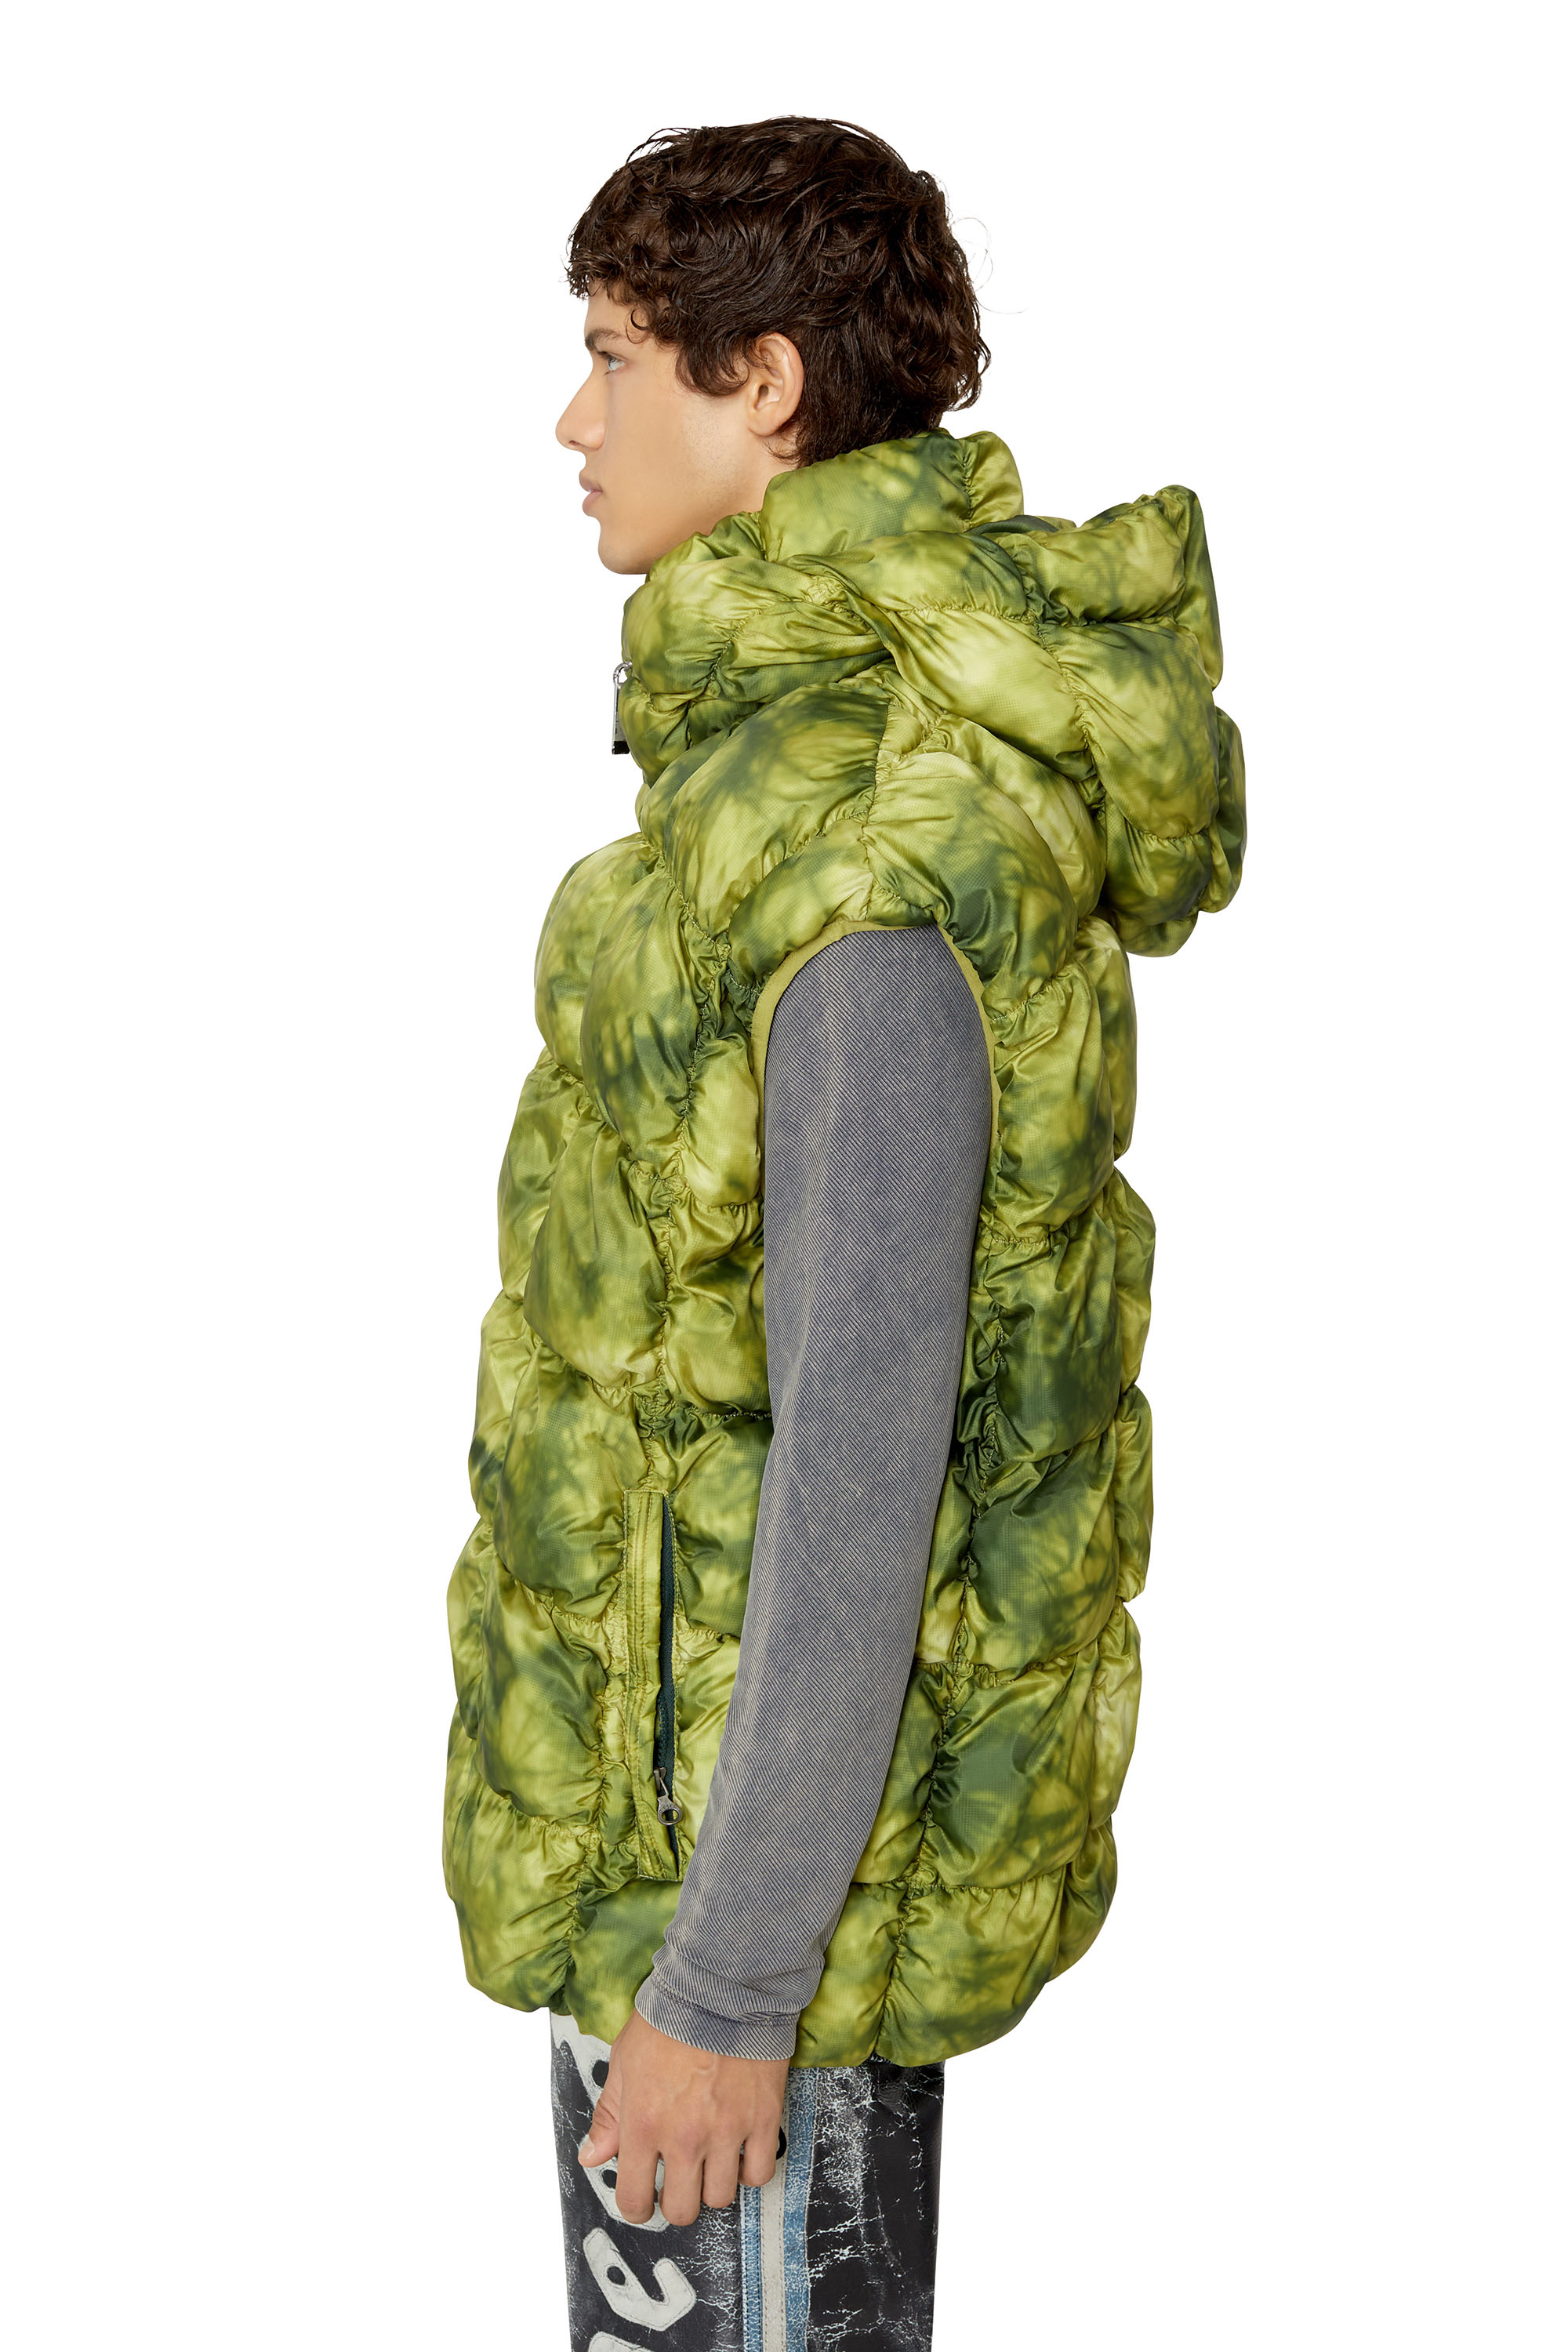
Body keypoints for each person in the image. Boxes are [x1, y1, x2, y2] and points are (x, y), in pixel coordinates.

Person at [441, 116, 1246, 2351]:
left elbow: (867, 1456)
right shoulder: (769, 796)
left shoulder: (870, 864)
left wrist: (724, 1986)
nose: (576, 421)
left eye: (619, 358)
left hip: (744, 1955)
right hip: (686, 1892)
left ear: (766, 388)